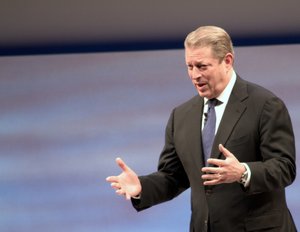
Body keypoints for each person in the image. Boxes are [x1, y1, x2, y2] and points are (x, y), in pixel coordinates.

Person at [106, 26, 297, 232]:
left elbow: (284, 167)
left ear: (227, 61)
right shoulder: (181, 115)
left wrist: (243, 172)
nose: (194, 75)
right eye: (189, 66)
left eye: (202, 66)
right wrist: (141, 187)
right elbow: (173, 177)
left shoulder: (265, 105)